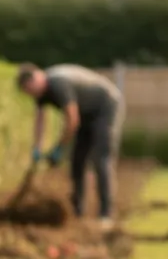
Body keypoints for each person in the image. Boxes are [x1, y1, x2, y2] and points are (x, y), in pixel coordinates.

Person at [15, 62, 126, 228]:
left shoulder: (59, 84)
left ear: (36, 78)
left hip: (105, 106)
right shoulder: (41, 95)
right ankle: (77, 211)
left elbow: (72, 120)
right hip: (85, 115)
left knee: (101, 159)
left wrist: (59, 147)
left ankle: (106, 214)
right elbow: (40, 120)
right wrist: (37, 147)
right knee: (77, 161)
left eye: (30, 89)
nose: (32, 94)